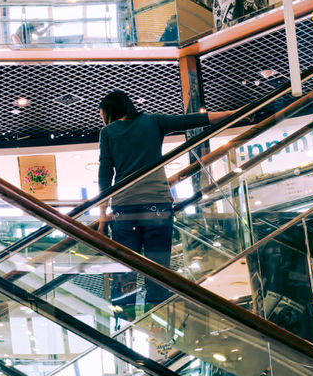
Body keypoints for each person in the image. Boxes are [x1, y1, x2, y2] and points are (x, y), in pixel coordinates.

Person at [96, 89, 225, 312]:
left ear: (107, 111)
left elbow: (105, 174)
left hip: (124, 208)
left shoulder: (107, 132)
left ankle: (125, 321)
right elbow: (192, 120)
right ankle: (157, 324)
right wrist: (235, 113)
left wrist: (101, 218)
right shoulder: (152, 121)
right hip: (158, 206)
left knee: (125, 269)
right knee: (157, 269)